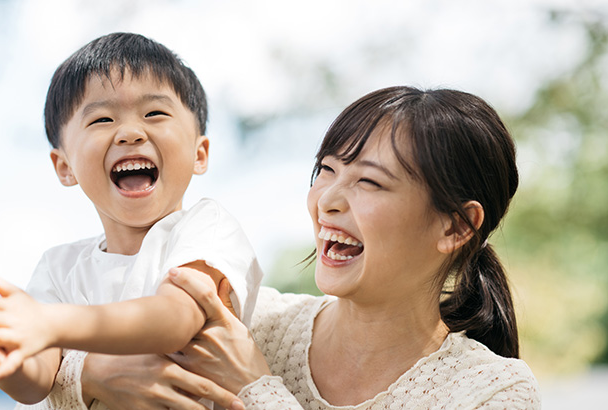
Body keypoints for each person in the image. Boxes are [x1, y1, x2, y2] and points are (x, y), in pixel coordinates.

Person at [160, 86, 541, 408]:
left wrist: (256, 389)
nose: (327, 200)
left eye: (370, 182)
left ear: (456, 226)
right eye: (326, 170)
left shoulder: (492, 392)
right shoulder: (249, 323)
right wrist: (97, 375)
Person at [0, 32, 262, 410]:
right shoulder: (59, 268)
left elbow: (175, 320)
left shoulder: (207, 229)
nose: (130, 132)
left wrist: (47, 323)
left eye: (154, 113)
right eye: (102, 118)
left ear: (200, 152)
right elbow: (39, 384)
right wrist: (9, 353)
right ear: (64, 166)